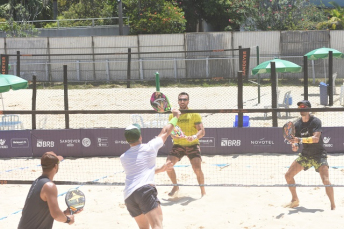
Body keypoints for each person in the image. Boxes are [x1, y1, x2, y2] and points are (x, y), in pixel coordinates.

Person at [120, 108, 181, 229]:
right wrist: (175, 116)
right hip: (144, 192)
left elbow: (140, 173)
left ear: (127, 140)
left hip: (129, 196)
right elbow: (165, 131)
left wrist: (161, 169)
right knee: (157, 226)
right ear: (140, 137)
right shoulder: (150, 147)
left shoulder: (123, 157)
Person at [285, 100, 335, 210]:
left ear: (309, 109)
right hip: (306, 155)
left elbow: (316, 139)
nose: (301, 109)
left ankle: (333, 206)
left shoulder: (315, 121)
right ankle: (295, 200)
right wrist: (294, 145)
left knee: (326, 180)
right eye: (299, 107)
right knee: (288, 175)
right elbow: (296, 144)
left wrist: (299, 140)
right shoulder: (297, 124)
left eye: (303, 106)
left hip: (319, 155)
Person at [18, 151, 81, 229]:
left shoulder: (37, 182)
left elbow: (44, 213)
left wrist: (66, 212)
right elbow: (56, 215)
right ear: (55, 166)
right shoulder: (49, 186)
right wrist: (68, 220)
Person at [166, 92, 206, 197]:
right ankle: (175, 186)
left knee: (197, 168)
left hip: (192, 144)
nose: (182, 101)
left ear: (188, 101)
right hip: (178, 145)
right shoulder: (173, 115)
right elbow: (171, 133)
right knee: (168, 165)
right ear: (178, 101)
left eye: (184, 99)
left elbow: (202, 132)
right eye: (180, 99)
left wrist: (194, 137)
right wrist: (175, 136)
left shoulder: (194, 114)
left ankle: (203, 191)